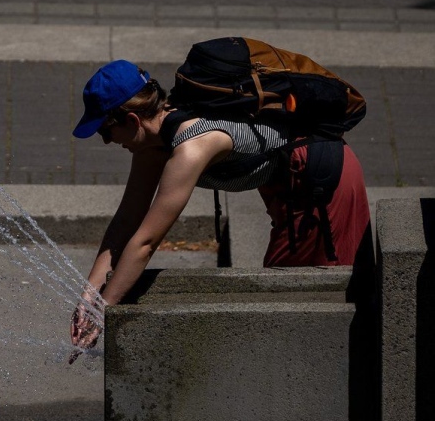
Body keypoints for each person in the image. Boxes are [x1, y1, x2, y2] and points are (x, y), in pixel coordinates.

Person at [68, 59, 370, 352]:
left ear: (132, 120)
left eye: (104, 131)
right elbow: (127, 220)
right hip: (287, 191)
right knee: (286, 297)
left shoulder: (192, 146)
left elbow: (145, 242)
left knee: (305, 298)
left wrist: (104, 311)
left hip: (322, 185)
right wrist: (90, 294)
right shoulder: (152, 141)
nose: (106, 141)